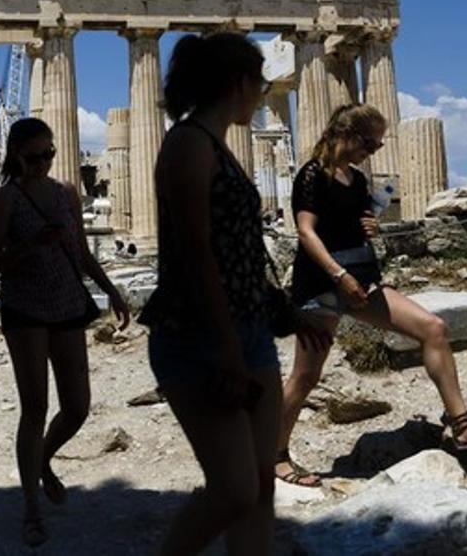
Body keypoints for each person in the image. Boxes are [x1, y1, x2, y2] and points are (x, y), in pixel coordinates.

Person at [137, 33, 323, 555]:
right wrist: (225, 348)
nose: (264, 94)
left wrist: (281, 309)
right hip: (198, 335)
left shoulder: (217, 145)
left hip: (248, 328)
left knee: (261, 487)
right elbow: (196, 255)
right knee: (234, 490)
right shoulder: (188, 144)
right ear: (238, 82)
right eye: (259, 83)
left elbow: (237, 251)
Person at [276, 103, 467, 488]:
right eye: (371, 143)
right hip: (321, 286)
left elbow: (353, 224)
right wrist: (339, 276)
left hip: (363, 282)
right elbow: (307, 232)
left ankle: (463, 423)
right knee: (306, 377)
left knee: (432, 328)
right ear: (348, 135)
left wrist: (370, 225)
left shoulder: (356, 180)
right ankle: (274, 455)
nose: (374, 150)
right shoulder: (311, 175)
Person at [0, 117, 131, 547]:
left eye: (49, 153)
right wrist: (32, 245)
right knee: (34, 408)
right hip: (25, 307)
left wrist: (112, 291)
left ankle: (42, 459)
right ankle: (31, 506)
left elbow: (82, 253)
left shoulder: (66, 193)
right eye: (34, 157)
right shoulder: (5, 199)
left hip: (67, 302)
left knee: (78, 406)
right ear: (16, 156)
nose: (44, 163)